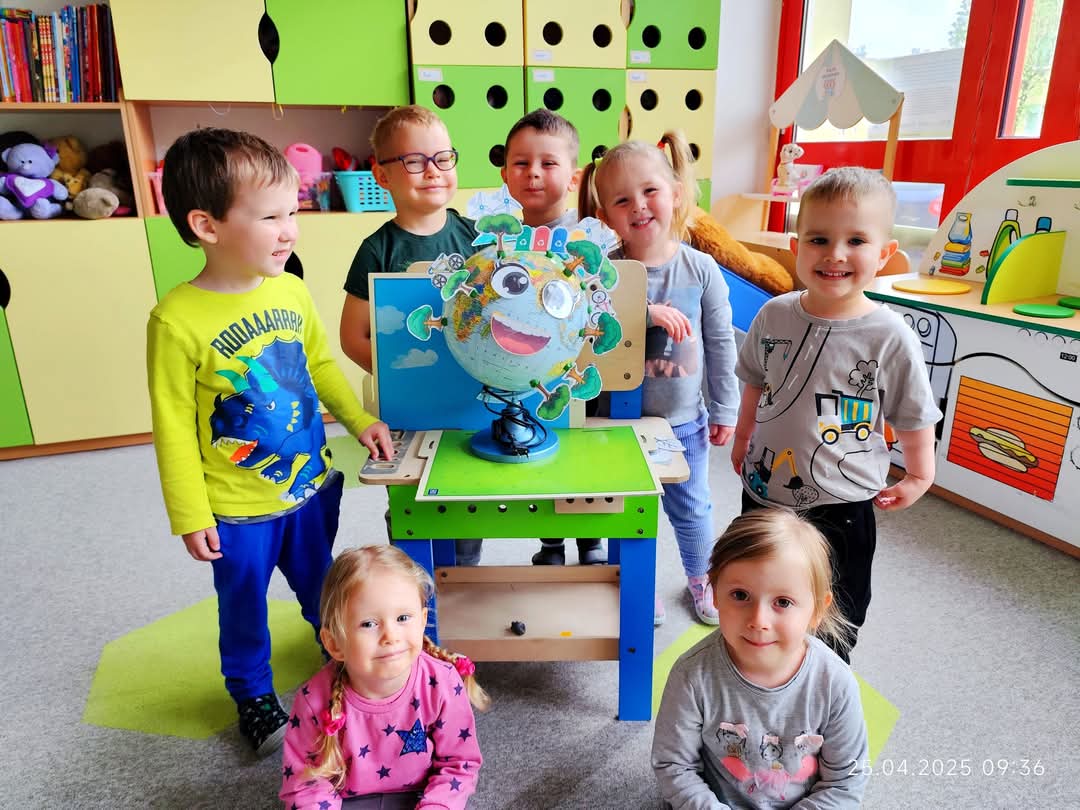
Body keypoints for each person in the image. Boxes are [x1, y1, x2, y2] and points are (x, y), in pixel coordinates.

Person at [146, 128, 393, 757]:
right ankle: (252, 693)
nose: (290, 232)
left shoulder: (290, 289)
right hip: (236, 507)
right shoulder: (176, 321)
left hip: (307, 486)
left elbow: (321, 365)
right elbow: (172, 426)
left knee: (324, 587)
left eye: (293, 213)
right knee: (244, 606)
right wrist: (190, 513)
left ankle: (336, 653)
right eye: (271, 218)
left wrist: (358, 421)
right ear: (206, 225)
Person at [731, 166, 941, 660]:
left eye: (856, 241)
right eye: (819, 239)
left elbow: (914, 413)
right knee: (759, 590)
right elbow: (755, 381)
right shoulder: (774, 313)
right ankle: (764, 668)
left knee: (836, 608)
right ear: (796, 245)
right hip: (764, 490)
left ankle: (826, 677)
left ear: (884, 254)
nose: (835, 254)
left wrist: (919, 474)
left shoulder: (889, 336)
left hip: (842, 503)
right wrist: (742, 437)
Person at [579, 131, 739, 626]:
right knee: (621, 507)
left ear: (675, 193)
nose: (639, 206)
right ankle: (632, 581)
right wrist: (644, 312)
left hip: (683, 420)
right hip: (616, 424)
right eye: (622, 200)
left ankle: (701, 579)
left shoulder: (701, 268)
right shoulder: (602, 272)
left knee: (692, 509)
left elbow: (720, 342)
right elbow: (585, 329)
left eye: (650, 191)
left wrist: (726, 407)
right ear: (605, 217)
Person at [340, 104, 482, 566]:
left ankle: (463, 575)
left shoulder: (478, 239)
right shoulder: (377, 249)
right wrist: (402, 379)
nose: (434, 170)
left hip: (470, 399)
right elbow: (354, 335)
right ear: (382, 175)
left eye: (443, 157)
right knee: (410, 498)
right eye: (415, 161)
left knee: (468, 496)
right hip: (408, 406)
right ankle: (412, 587)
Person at [652, 510, 869, 808]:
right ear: (714, 594)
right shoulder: (692, 675)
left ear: (817, 609)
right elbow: (674, 766)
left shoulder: (836, 683)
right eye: (740, 595)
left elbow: (845, 782)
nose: (758, 620)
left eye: (783, 602)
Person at [280, 545, 488, 809]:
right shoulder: (314, 700)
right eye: (369, 624)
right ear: (333, 643)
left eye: (403, 618)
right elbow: (306, 785)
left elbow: (459, 764)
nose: (391, 636)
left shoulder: (443, 682)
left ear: (422, 621)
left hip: (424, 797)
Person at [501, 108, 604, 567]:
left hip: (579, 367)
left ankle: (591, 541)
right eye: (521, 163)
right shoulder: (499, 239)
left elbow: (608, 297)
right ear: (505, 174)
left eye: (548, 163)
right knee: (538, 445)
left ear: (574, 176)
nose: (534, 173)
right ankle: (551, 542)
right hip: (525, 366)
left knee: (581, 457)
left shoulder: (590, 238)